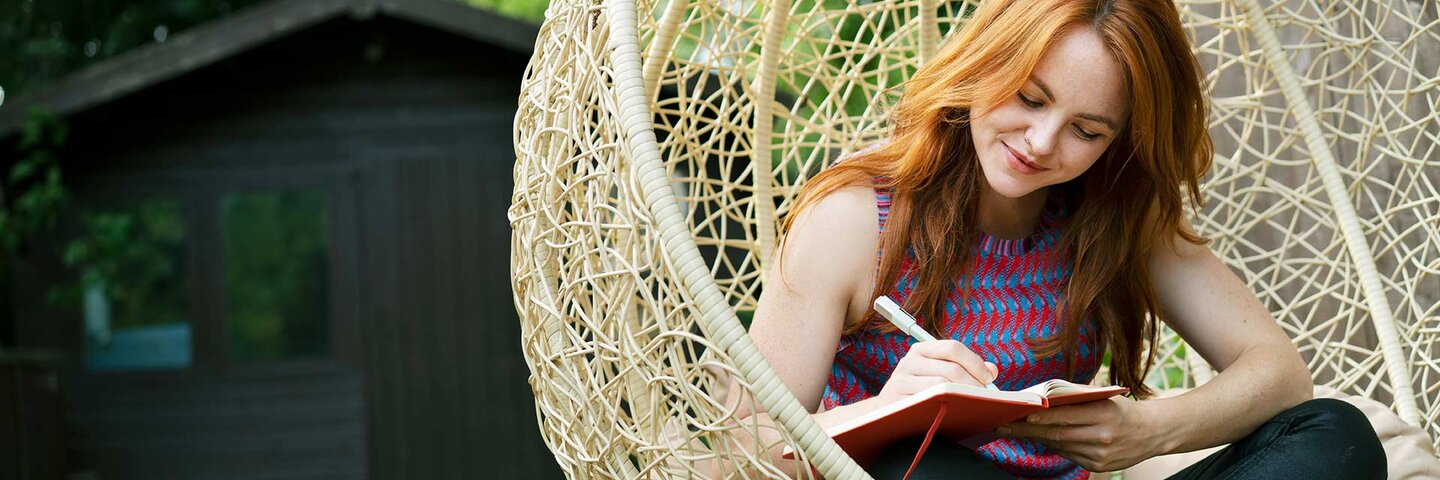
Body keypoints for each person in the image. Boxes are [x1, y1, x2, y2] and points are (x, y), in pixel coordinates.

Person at [735, 0, 1387, 478]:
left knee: (1334, 434)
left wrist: (1148, 430)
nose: (1041, 145)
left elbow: (1280, 374)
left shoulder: (1111, 214)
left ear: (1120, 141)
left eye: (1088, 130)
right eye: (1029, 96)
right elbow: (738, 452)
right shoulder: (856, 216)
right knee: (915, 465)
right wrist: (889, 413)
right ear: (984, 62)